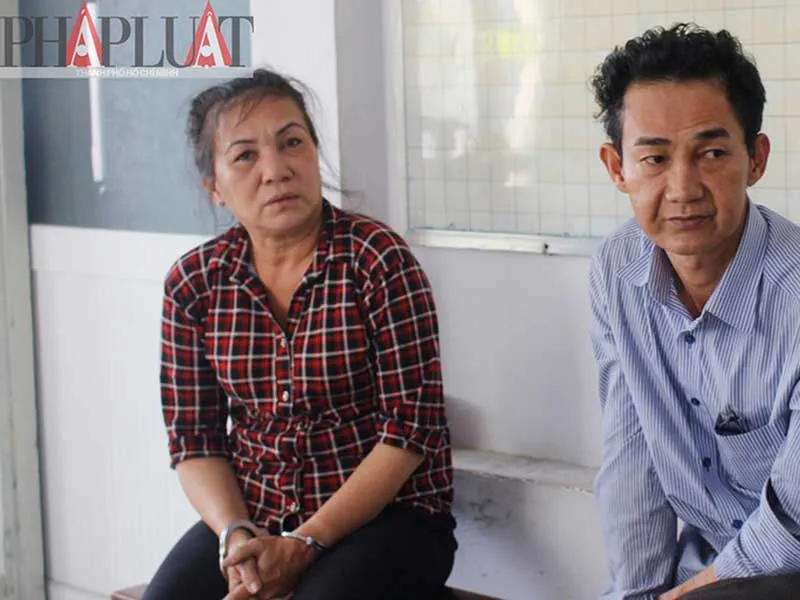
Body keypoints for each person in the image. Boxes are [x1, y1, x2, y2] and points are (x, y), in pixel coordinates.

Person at [145, 68, 457, 600]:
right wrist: (236, 537)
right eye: (245, 156)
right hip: (257, 514)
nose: (275, 170)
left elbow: (409, 433)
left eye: (292, 143)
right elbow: (194, 440)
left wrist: (304, 544)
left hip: (388, 520)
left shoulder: (377, 259)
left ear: (313, 153)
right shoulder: (195, 283)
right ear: (215, 188)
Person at [589, 23, 800, 599]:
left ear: (755, 158)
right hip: (708, 569)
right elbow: (631, 458)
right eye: (654, 158)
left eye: (711, 153)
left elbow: (794, 523)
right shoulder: (617, 269)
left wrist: (684, 596)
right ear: (617, 167)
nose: (682, 188)